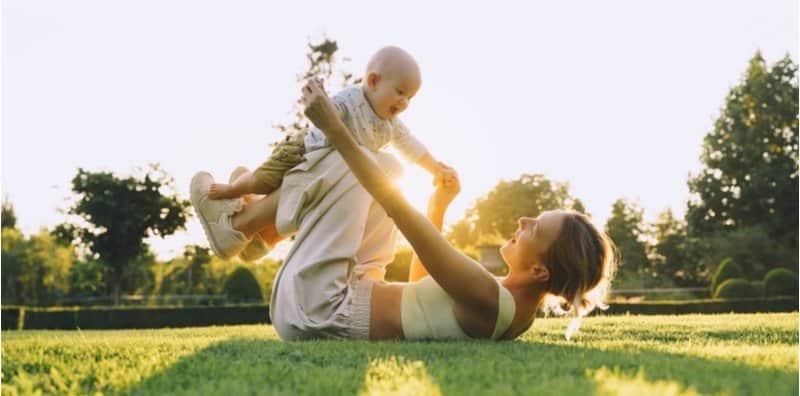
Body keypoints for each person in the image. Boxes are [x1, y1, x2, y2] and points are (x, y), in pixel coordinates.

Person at [190, 79, 617, 341]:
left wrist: (334, 127)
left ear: (542, 271)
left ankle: (242, 224)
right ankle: (267, 231)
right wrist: (438, 206)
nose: (524, 220)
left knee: (361, 159)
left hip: (318, 312)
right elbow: (424, 285)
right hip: (340, 297)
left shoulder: (491, 298)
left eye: (535, 228)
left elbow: (398, 211)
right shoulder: (506, 306)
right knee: (389, 165)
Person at [204, 46, 455, 261]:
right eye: (400, 92)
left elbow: (412, 147)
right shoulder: (351, 100)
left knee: (344, 181)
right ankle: (234, 193)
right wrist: (320, 96)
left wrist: (436, 168)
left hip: (328, 169)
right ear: (373, 81)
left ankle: (261, 233)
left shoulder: (391, 125)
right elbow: (325, 109)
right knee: (261, 181)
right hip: (302, 150)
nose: (404, 103)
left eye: (410, 98)